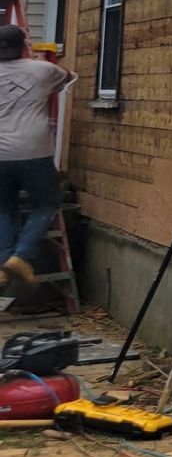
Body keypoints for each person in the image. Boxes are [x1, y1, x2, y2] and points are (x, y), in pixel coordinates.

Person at [0, 25, 77, 292]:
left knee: (4, 209)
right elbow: (68, 76)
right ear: (23, 45)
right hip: (33, 151)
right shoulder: (42, 70)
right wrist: (41, 61)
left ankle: (3, 268)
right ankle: (21, 256)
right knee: (46, 204)